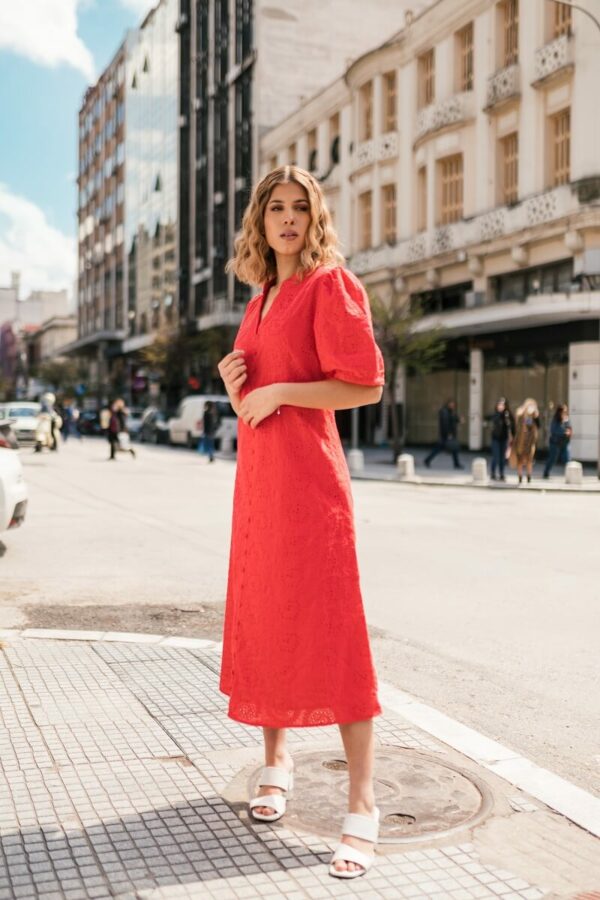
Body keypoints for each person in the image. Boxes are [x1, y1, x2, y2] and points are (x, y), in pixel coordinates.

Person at [217, 165, 384, 880]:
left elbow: (366, 382)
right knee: (267, 620)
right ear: (259, 222)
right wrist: (237, 389)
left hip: (312, 491)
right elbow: (256, 405)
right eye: (275, 208)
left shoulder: (330, 286)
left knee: (332, 633)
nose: (287, 219)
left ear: (315, 218)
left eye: (300, 208)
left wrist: (280, 386)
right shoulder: (257, 303)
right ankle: (275, 760)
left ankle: (363, 803)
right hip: (259, 491)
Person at [424, 399, 464, 469]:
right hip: (446, 435)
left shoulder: (450, 412)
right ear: (448, 404)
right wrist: (448, 433)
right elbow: (445, 424)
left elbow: (453, 420)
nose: (453, 405)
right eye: (452, 404)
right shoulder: (444, 412)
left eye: (454, 404)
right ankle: (427, 460)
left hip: (449, 435)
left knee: (453, 449)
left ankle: (456, 464)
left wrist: (459, 420)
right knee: (439, 449)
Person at [510, 398, 540, 483]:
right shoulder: (520, 413)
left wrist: (536, 416)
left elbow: (537, 426)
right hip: (520, 441)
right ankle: (520, 477)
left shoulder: (534, 415)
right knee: (520, 459)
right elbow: (516, 426)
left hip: (530, 442)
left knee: (529, 460)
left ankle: (529, 477)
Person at [488, 397, 514, 481]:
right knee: (496, 456)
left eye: (503, 405)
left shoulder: (508, 415)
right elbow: (493, 421)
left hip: (504, 438)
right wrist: (500, 414)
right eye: (499, 404)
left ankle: (502, 473)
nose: (501, 406)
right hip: (495, 438)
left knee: (502, 458)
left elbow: (512, 425)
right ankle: (492, 473)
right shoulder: (495, 414)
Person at [543, 404, 572, 478]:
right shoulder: (555, 419)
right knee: (552, 458)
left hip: (564, 442)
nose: (565, 412)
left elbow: (569, 428)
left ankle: (570, 475)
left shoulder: (566, 419)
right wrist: (564, 432)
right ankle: (546, 472)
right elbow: (554, 430)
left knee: (567, 459)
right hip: (555, 443)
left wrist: (569, 431)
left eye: (566, 411)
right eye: (564, 411)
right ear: (560, 412)